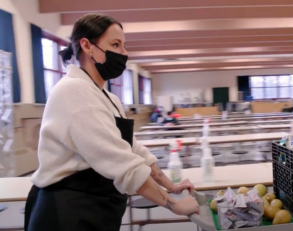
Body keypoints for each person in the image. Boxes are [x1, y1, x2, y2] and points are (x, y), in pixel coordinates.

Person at [24, 14, 198, 231]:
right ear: (86, 45)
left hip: (96, 208)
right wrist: (176, 206)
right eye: (115, 45)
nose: (124, 53)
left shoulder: (107, 97)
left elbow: (134, 151)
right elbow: (123, 165)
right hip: (69, 212)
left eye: (124, 45)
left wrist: (171, 186)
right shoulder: (73, 91)